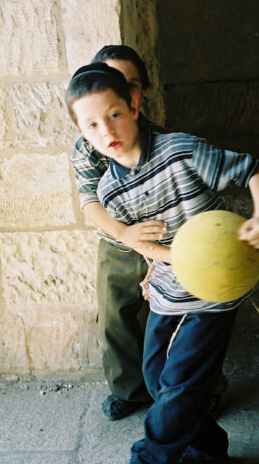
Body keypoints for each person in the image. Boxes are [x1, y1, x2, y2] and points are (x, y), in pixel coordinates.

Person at [65, 63, 259, 463]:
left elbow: (256, 171)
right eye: (92, 125)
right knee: (156, 381)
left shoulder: (181, 152)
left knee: (178, 387)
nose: (107, 131)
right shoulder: (110, 191)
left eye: (114, 114)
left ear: (133, 107)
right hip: (167, 290)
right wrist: (162, 259)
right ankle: (209, 450)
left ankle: (149, 457)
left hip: (212, 290)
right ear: (82, 134)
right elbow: (148, 246)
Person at [70, 45, 168, 420]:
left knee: (176, 317)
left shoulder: (161, 141)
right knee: (115, 318)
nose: (122, 92)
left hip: (163, 242)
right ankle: (129, 390)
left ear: (140, 95)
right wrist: (126, 236)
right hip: (117, 244)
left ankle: (190, 389)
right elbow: (90, 203)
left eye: (131, 85)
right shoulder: (89, 148)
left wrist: (157, 253)